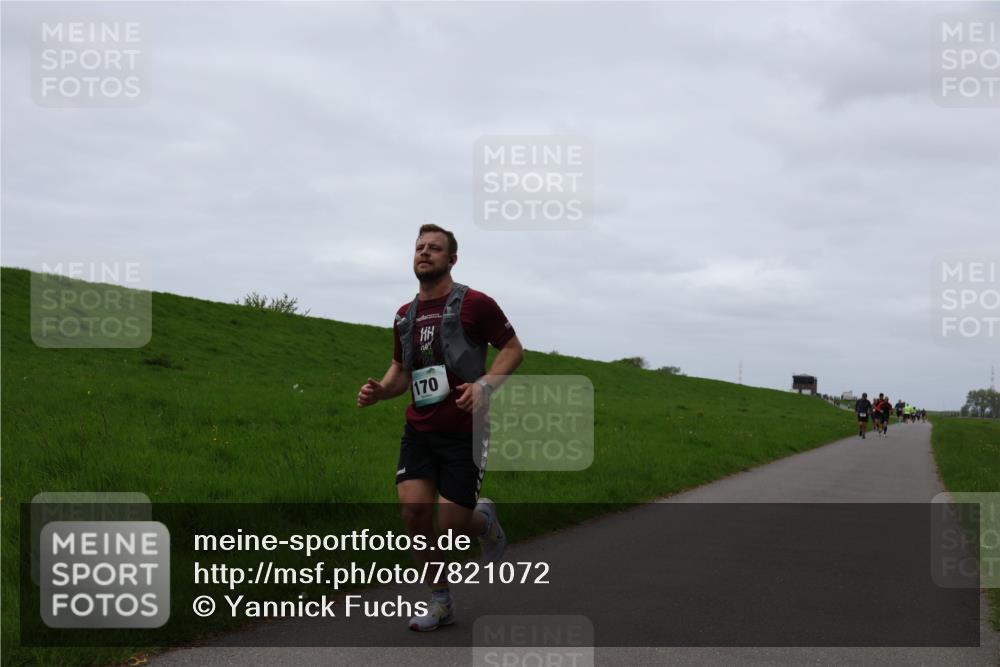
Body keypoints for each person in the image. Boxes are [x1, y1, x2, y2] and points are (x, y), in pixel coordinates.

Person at [357, 224, 524, 632]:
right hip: (420, 431)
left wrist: (485, 386)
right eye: (419, 247)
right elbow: (401, 370)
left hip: (466, 431)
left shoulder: (475, 304)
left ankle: (484, 520)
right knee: (414, 512)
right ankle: (440, 601)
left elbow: (513, 350)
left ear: (452, 258)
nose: (424, 253)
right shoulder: (404, 316)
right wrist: (381, 391)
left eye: (435, 248)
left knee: (451, 527)